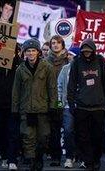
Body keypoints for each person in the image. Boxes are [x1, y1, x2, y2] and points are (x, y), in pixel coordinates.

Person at [67, 38, 105, 170]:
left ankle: (96, 158)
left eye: (89, 51)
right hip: (81, 106)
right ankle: (88, 161)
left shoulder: (100, 61)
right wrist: (71, 103)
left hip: (98, 106)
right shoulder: (77, 63)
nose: (87, 53)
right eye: (84, 51)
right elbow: (71, 84)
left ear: (93, 50)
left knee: (98, 136)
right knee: (82, 136)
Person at [12, 38, 57, 171]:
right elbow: (16, 91)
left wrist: (53, 107)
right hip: (26, 109)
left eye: (33, 51)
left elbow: (52, 89)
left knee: (43, 137)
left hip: (43, 109)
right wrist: (14, 109)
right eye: (28, 51)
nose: (31, 53)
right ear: (25, 53)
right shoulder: (20, 69)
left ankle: (38, 158)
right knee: (28, 138)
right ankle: (32, 163)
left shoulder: (47, 67)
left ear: (38, 52)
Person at [0, 43, 23, 170]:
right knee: (0, 131)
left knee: (13, 132)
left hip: (14, 103)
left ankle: (12, 159)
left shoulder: (19, 64)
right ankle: (4, 155)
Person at [45, 35, 69, 166]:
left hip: (66, 100)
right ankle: (56, 157)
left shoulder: (68, 60)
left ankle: (73, 156)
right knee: (54, 131)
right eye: (53, 43)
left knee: (69, 129)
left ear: (63, 45)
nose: (55, 45)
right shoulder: (45, 61)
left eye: (58, 43)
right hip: (51, 100)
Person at [57, 46, 80, 168]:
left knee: (82, 132)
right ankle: (69, 157)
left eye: (71, 54)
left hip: (82, 105)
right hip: (66, 106)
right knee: (67, 131)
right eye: (69, 54)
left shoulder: (83, 69)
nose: (69, 56)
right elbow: (59, 87)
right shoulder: (65, 69)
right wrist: (59, 105)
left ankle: (81, 157)